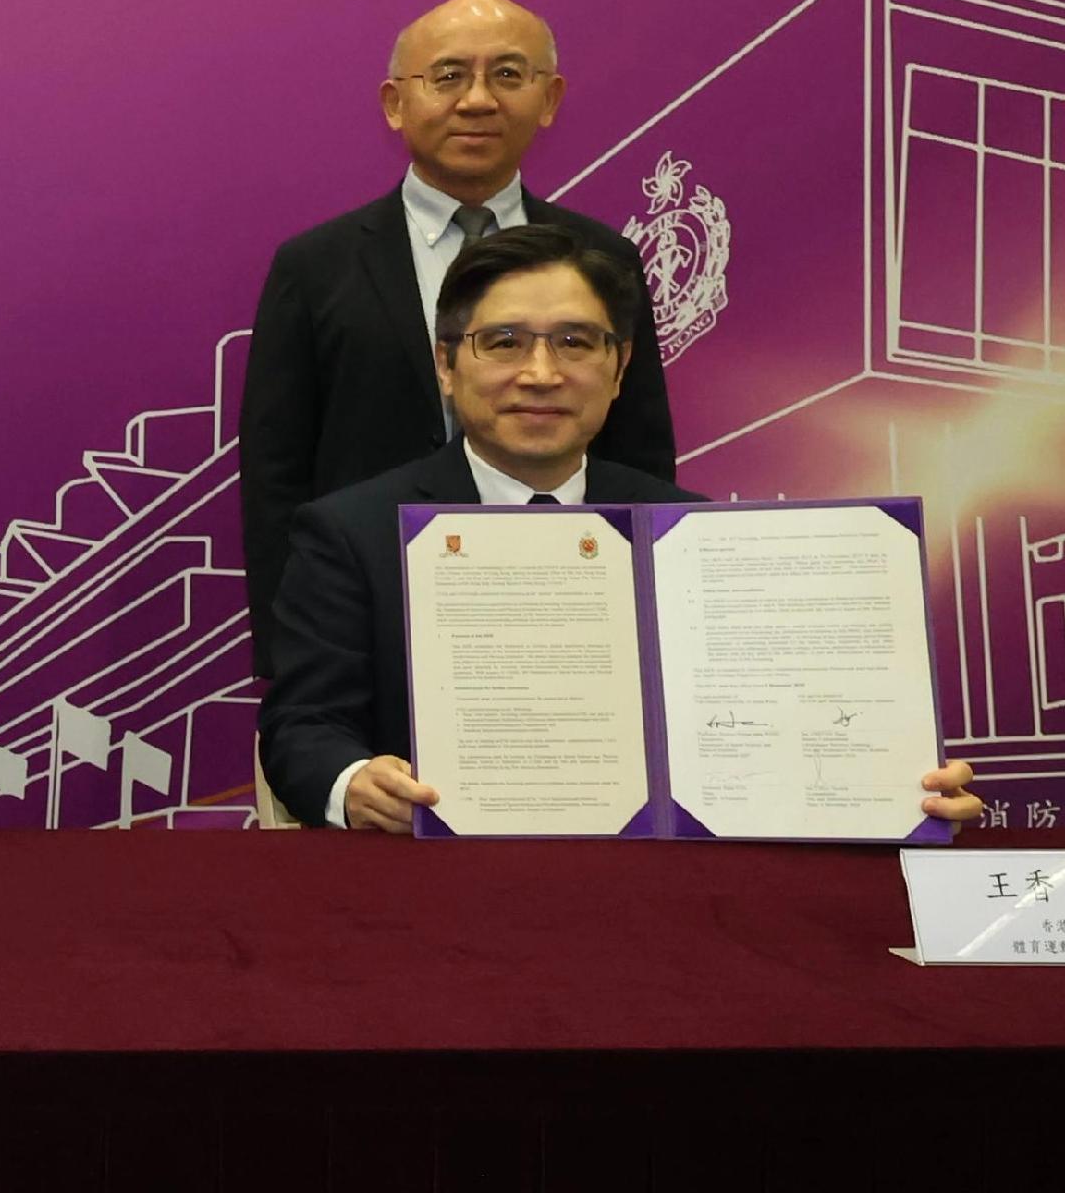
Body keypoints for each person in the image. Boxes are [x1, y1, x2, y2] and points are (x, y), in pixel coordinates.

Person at [256, 222, 977, 832]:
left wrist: (896, 784)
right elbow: (303, 727)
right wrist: (354, 782)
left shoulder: (696, 533)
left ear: (620, 365)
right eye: (504, 342)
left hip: (666, 893)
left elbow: (792, 722)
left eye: (575, 342)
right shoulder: (352, 531)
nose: (541, 373)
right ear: (447, 365)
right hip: (438, 887)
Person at [240, 0, 680, 668]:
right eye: (448, 76)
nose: (478, 100)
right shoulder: (316, 265)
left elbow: (640, 450)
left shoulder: (602, 257)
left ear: (550, 99)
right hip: (373, 617)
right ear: (395, 103)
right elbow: (276, 475)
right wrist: (291, 656)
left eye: (507, 75)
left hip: (573, 616)